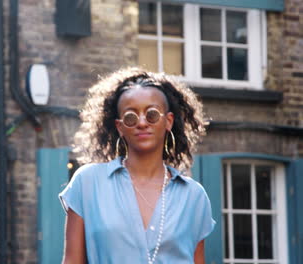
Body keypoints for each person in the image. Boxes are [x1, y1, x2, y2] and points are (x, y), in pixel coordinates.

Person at [59, 67, 216, 264]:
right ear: (120, 127)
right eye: (131, 117)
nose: (142, 123)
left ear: (168, 121)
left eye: (151, 114)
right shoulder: (88, 183)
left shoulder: (194, 196)